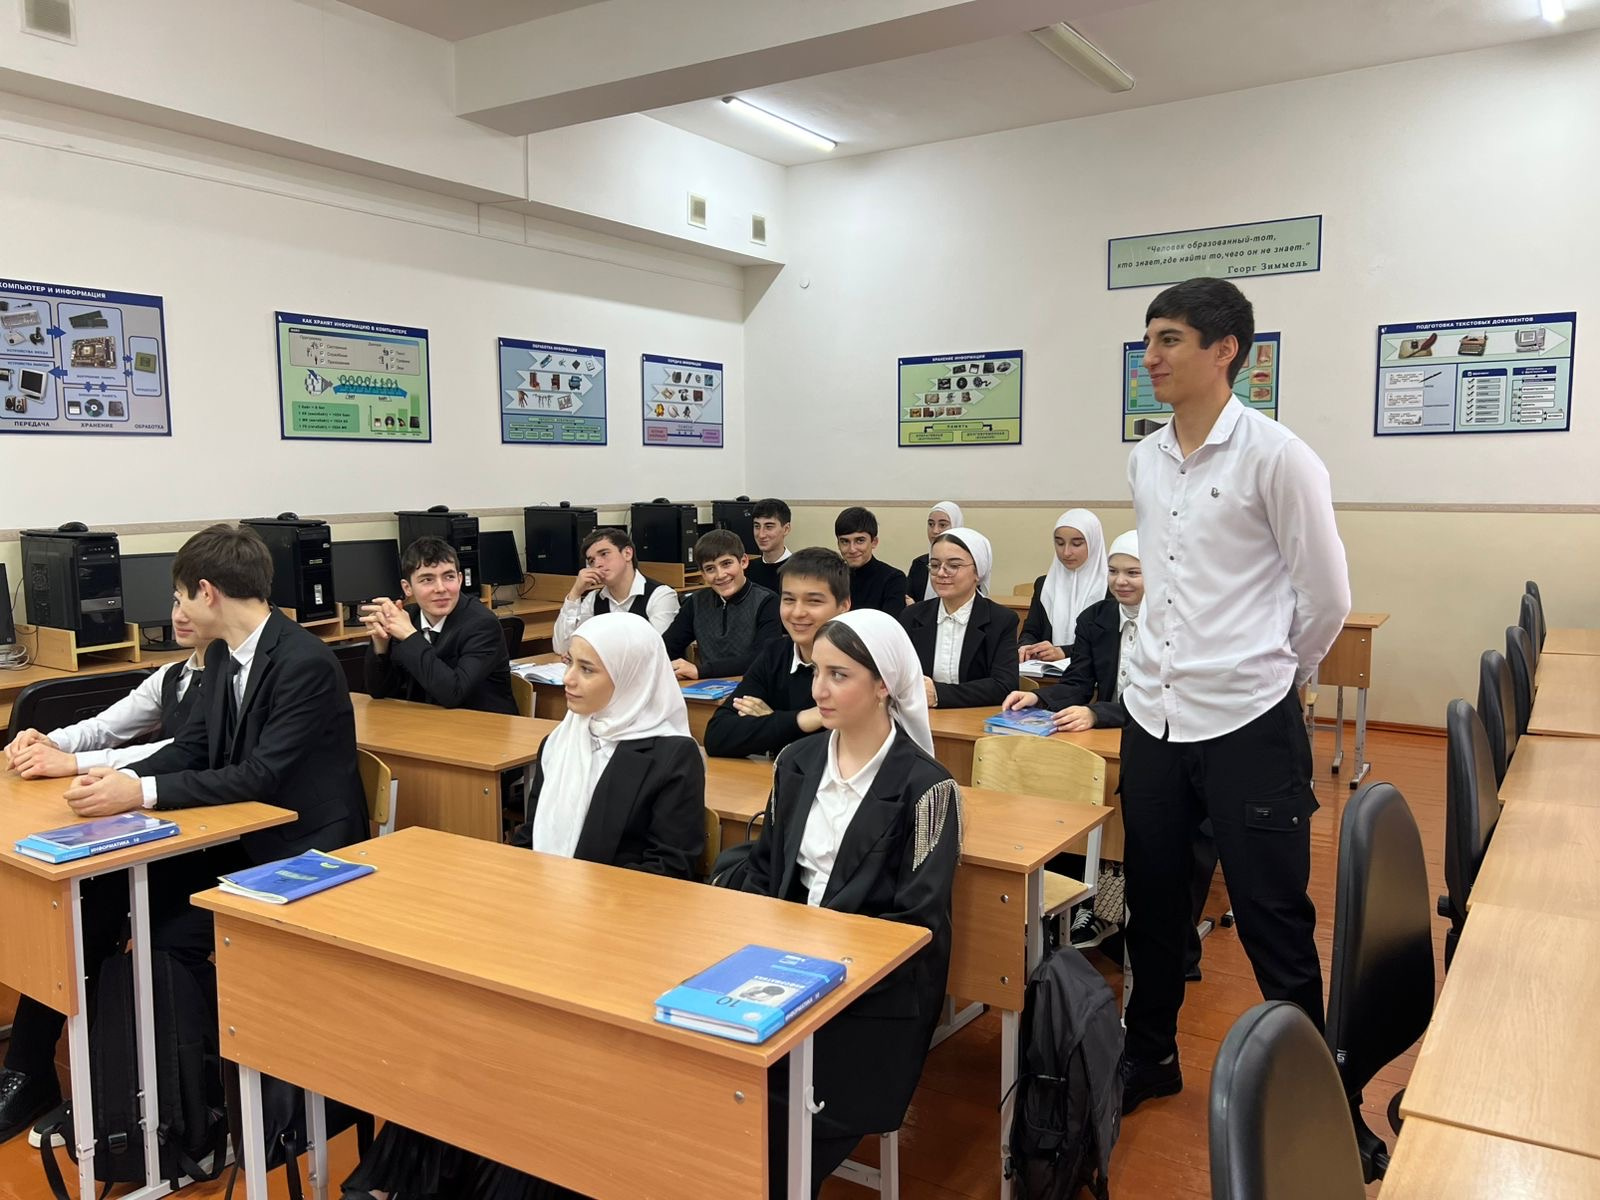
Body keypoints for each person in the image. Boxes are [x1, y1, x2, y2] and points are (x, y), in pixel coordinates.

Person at [0, 525, 369, 1145]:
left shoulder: (304, 661)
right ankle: (128, 1092)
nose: (177, 610)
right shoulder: (224, 656)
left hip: (303, 848)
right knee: (103, 899)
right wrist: (117, 780)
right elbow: (193, 746)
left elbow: (262, 773)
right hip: (240, 833)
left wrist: (140, 792)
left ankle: (196, 1100)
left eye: (179, 597)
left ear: (206, 592)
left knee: (168, 936)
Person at [341, 613, 704, 1200]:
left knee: (517, 1053)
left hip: (614, 951)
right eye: (568, 665)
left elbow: (671, 873)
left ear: (631, 676)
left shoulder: (671, 756)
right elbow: (530, 840)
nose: (570, 681)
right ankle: (406, 1173)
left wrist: (570, 904)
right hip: (540, 930)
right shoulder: (561, 740)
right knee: (457, 1029)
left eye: (587, 670)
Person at [1117, 277, 1349, 1116]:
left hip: (1248, 720)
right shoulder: (1145, 458)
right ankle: (1149, 1056)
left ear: (1225, 351)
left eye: (1170, 340)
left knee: (1271, 914)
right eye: (1148, 340)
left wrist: (1278, 672)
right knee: (1153, 904)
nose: (1151, 357)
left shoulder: (1278, 456)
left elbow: (1326, 597)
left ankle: (1317, 1100)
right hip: (1153, 716)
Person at [726, 609, 961, 1196]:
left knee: (771, 1148)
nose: (819, 691)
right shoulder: (796, 762)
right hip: (780, 970)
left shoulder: (928, 787)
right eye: (816, 672)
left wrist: (816, 971)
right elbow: (765, 872)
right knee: (709, 1098)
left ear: (883, 685)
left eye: (839, 675)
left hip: (870, 994)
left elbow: (915, 922)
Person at [4, 598, 211, 779]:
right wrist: (52, 742)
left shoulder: (227, 683)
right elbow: (105, 727)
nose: (179, 617)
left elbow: (188, 749)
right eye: (177, 602)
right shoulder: (171, 674)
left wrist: (74, 762)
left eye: (195, 606)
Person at [704, 547, 851, 759]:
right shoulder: (774, 654)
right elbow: (717, 737)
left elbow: (843, 748)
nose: (797, 612)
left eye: (814, 601)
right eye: (789, 599)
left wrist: (771, 723)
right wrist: (804, 719)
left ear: (843, 606)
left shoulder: (858, 663)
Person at [1002, 529, 1142, 732]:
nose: (1119, 581)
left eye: (1133, 573)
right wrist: (1037, 698)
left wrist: (1097, 713)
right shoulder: (1094, 618)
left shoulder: (1176, 626)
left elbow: (1163, 701)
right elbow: (1078, 683)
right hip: (1108, 730)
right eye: (1112, 571)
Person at [362, 536, 516, 714]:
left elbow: (454, 693)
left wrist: (410, 636)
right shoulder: (408, 618)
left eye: (449, 577)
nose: (441, 588)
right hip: (427, 721)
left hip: (483, 724)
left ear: (460, 580)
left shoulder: (482, 624)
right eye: (427, 579)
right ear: (407, 588)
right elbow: (379, 691)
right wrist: (381, 646)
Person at [899, 528, 1018, 709]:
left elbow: (1004, 686)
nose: (941, 573)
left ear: (978, 572)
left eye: (953, 566)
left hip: (974, 718)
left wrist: (939, 694)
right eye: (935, 565)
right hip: (921, 716)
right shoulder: (912, 615)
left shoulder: (1001, 620)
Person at [661, 529, 782, 680]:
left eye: (726, 564)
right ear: (703, 574)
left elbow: (762, 657)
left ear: (743, 562)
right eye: (710, 569)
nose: (720, 575)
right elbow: (666, 648)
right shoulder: (695, 602)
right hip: (706, 688)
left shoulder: (767, 601)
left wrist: (701, 671)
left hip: (755, 686)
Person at [552, 527, 680, 653]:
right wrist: (575, 593)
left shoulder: (660, 595)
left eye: (604, 554)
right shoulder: (593, 599)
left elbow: (658, 650)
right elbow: (562, 648)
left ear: (627, 554)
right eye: (591, 561)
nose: (597, 564)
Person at [1017, 510, 1107, 662]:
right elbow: (1031, 631)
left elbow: (1106, 641)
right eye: (1059, 543)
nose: (1066, 552)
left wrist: (1064, 652)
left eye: (1076, 544)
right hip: (1046, 670)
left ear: (1094, 543)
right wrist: (1027, 646)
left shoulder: (1110, 588)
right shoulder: (1044, 584)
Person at [835, 506, 908, 616]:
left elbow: (889, 623)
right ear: (838, 544)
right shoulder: (832, 577)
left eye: (860, 540)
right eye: (845, 541)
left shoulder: (893, 579)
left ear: (874, 542)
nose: (852, 549)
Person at [904, 500, 963, 603]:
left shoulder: (964, 565)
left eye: (942, 525)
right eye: (931, 524)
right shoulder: (919, 563)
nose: (935, 531)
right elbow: (908, 599)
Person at [744, 498, 793, 595]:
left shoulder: (799, 570)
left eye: (769, 527)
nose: (761, 534)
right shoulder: (747, 569)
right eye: (757, 526)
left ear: (786, 529)